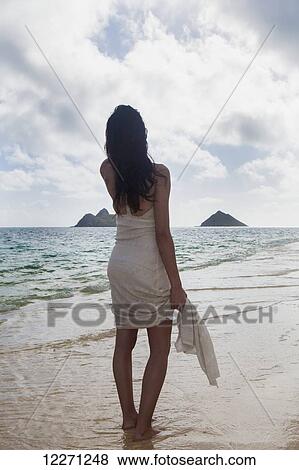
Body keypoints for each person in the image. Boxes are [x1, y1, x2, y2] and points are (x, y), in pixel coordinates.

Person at [100, 104, 186, 440]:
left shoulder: (108, 170)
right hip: (148, 267)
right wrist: (176, 286)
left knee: (124, 344)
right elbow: (162, 234)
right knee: (159, 350)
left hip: (120, 266)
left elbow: (128, 212)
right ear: (142, 136)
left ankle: (128, 418)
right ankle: (143, 426)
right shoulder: (159, 175)